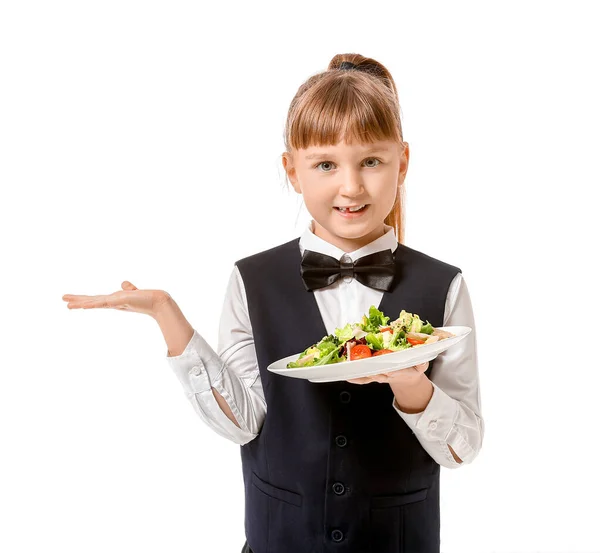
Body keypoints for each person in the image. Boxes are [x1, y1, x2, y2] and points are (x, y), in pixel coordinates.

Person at [62, 53, 483, 553]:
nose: (350, 186)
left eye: (371, 161)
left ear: (403, 161)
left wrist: (413, 387)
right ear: (292, 170)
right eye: (325, 164)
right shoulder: (252, 280)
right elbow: (243, 422)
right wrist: (166, 316)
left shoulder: (444, 285)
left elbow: (462, 450)